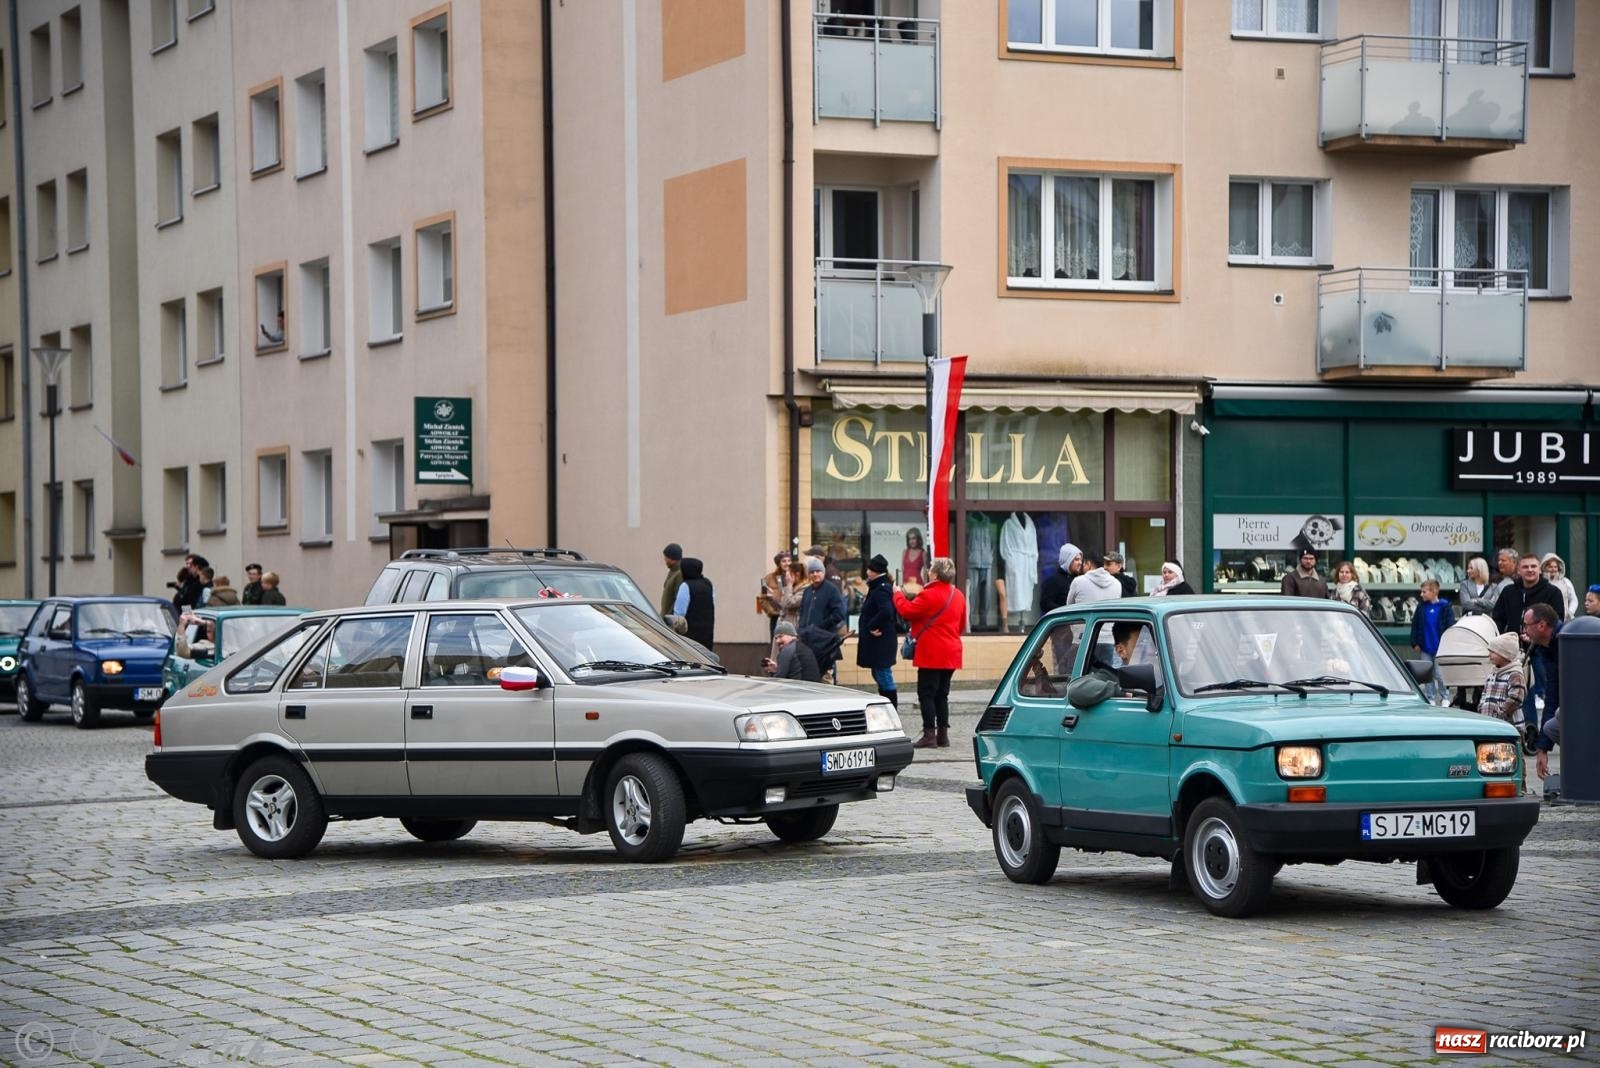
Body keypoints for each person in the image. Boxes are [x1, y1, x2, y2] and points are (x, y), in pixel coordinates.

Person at [892, 557, 966, 749]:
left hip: (932, 652)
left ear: (934, 574)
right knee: (942, 694)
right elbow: (961, 626)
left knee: (926, 694)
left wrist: (898, 594)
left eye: (930, 569)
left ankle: (929, 735)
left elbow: (906, 611)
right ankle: (943, 735)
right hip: (952, 652)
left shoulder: (928, 594)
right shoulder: (958, 595)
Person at [1523, 603, 1563, 778]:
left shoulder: (1564, 642)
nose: (1524, 630)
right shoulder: (1549, 648)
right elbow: (1553, 696)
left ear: (1541, 625)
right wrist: (1542, 748)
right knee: (1552, 726)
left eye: (1526, 625)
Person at [1064, 621, 1142, 707]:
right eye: (1141, 645)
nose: (1150, 650)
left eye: (1153, 643)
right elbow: (1075, 690)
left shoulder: (1158, 675)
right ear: (1121, 651)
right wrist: (1121, 691)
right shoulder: (1111, 676)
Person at [856, 554, 898, 707]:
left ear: (874, 570)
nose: (867, 571)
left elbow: (886, 611)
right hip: (880, 642)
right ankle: (888, 705)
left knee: (883, 674)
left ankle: (892, 707)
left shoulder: (881, 589)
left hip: (881, 641)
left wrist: (872, 625)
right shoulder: (879, 587)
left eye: (869, 568)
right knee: (879, 673)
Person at [797, 556, 847, 678]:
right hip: (807, 639)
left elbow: (839, 614)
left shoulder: (831, 590)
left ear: (823, 572)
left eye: (818, 571)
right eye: (812, 572)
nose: (815, 574)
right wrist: (801, 629)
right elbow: (803, 611)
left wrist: (820, 627)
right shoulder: (807, 591)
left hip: (824, 639)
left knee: (826, 674)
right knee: (810, 671)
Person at [1410, 579, 1455, 705]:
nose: (1421, 594)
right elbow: (1415, 625)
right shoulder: (1421, 607)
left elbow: (1449, 626)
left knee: (1440, 674)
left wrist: (1448, 643)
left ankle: (1445, 697)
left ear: (1434, 591)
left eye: (1424, 592)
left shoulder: (1445, 607)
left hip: (1440, 647)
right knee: (1427, 674)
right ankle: (1430, 697)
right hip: (1425, 646)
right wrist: (1415, 642)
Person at [1475, 632, 1526, 731]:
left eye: (1493, 652)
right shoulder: (1492, 673)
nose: (1489, 655)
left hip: (1509, 726)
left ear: (1505, 654)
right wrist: (1481, 708)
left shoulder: (1514, 674)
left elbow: (1516, 698)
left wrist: (1501, 712)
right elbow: (1485, 693)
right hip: (1489, 722)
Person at [672, 557, 715, 650]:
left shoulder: (685, 586)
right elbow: (712, 604)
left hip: (689, 634)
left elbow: (679, 613)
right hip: (707, 633)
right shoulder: (708, 584)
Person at [1039, 543, 1082, 614]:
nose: (1080, 562)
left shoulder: (1079, 579)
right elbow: (1045, 604)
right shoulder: (1053, 581)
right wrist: (1065, 611)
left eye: (1081, 559)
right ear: (1068, 560)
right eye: (1076, 559)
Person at [759, 551, 792, 638]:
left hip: (791, 617)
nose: (787, 563)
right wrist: (771, 611)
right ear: (779, 563)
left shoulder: (795, 577)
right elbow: (762, 598)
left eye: (789, 560)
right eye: (784, 561)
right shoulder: (767, 578)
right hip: (776, 617)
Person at [1541, 553, 1578, 620]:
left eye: (1555, 567)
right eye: (1550, 567)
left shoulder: (1565, 582)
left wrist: (1570, 612)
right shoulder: (1540, 582)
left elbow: (1574, 599)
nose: (1553, 569)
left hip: (1564, 620)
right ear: (1544, 567)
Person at [660, 543, 684, 620]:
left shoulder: (679, 574)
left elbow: (677, 599)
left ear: (672, 559)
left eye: (666, 557)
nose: (664, 560)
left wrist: (669, 618)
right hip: (665, 617)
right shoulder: (672, 571)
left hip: (670, 620)